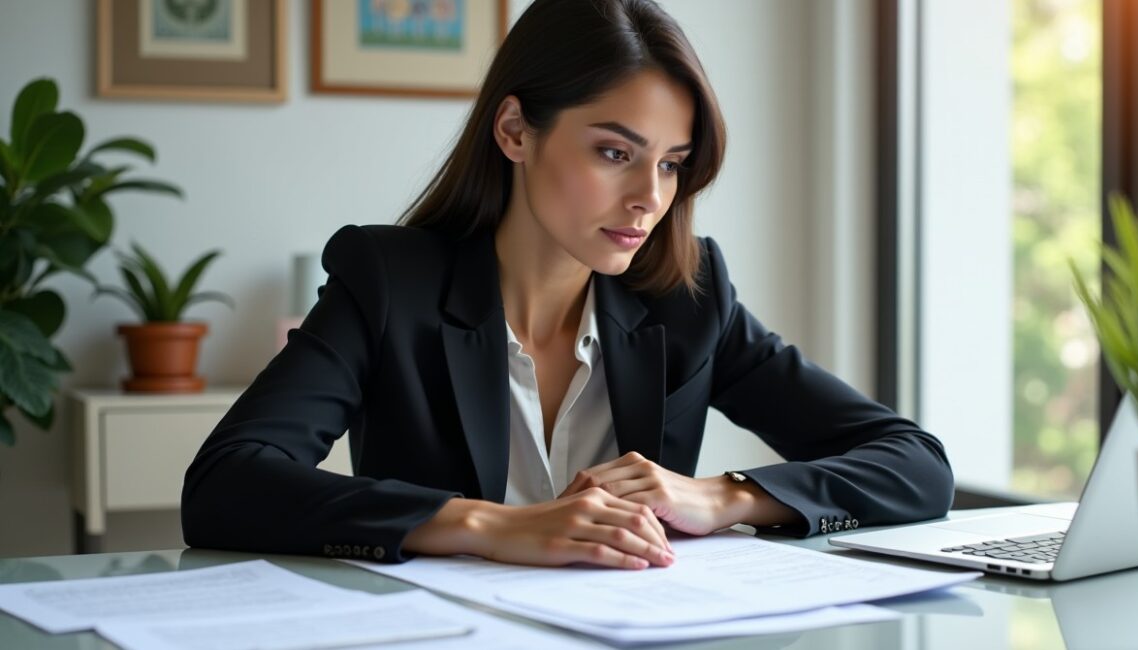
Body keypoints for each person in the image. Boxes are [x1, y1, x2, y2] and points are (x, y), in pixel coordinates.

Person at [180, 0, 953, 571]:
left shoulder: (688, 299)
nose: (650, 197)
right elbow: (225, 485)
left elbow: (914, 464)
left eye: (671, 162)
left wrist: (719, 497)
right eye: (615, 153)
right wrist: (487, 525)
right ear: (515, 131)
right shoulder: (389, 284)